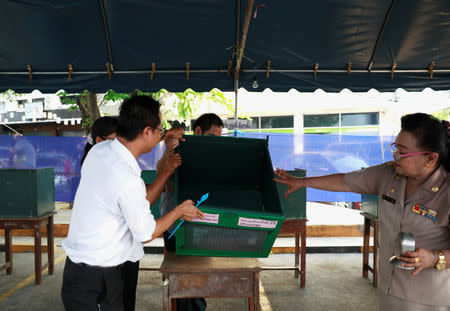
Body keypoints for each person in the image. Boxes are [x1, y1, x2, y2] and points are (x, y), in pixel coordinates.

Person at [275, 113, 450, 310]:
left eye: (402, 152)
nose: (395, 156)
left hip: (429, 298)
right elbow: (345, 181)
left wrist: (435, 258)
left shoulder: (446, 190)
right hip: (388, 288)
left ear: (430, 159)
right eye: (395, 148)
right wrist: (301, 183)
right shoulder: (389, 175)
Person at [61, 95, 203, 311]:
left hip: (89, 271)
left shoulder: (100, 151)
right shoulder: (124, 176)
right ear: (146, 132)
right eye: (160, 129)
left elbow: (137, 199)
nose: (161, 134)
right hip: (96, 278)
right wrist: (178, 211)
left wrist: (165, 145)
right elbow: (146, 233)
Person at [157, 113, 224, 311]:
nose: (215, 142)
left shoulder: (212, 154)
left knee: (198, 278)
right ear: (197, 131)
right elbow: (161, 170)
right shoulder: (179, 146)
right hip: (175, 225)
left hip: (200, 224)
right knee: (182, 279)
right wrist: (168, 150)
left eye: (218, 138)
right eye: (212, 136)